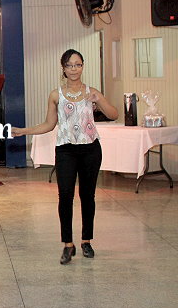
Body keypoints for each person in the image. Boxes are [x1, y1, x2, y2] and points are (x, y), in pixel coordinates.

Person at [12, 49, 118, 264]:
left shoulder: (92, 92)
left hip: (90, 149)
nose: (74, 69)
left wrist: (99, 99)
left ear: (83, 66)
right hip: (66, 150)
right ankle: (68, 244)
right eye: (70, 65)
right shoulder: (56, 95)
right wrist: (24, 131)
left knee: (88, 196)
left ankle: (86, 241)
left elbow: (114, 114)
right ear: (63, 68)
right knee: (65, 196)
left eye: (78, 65)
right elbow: (49, 124)